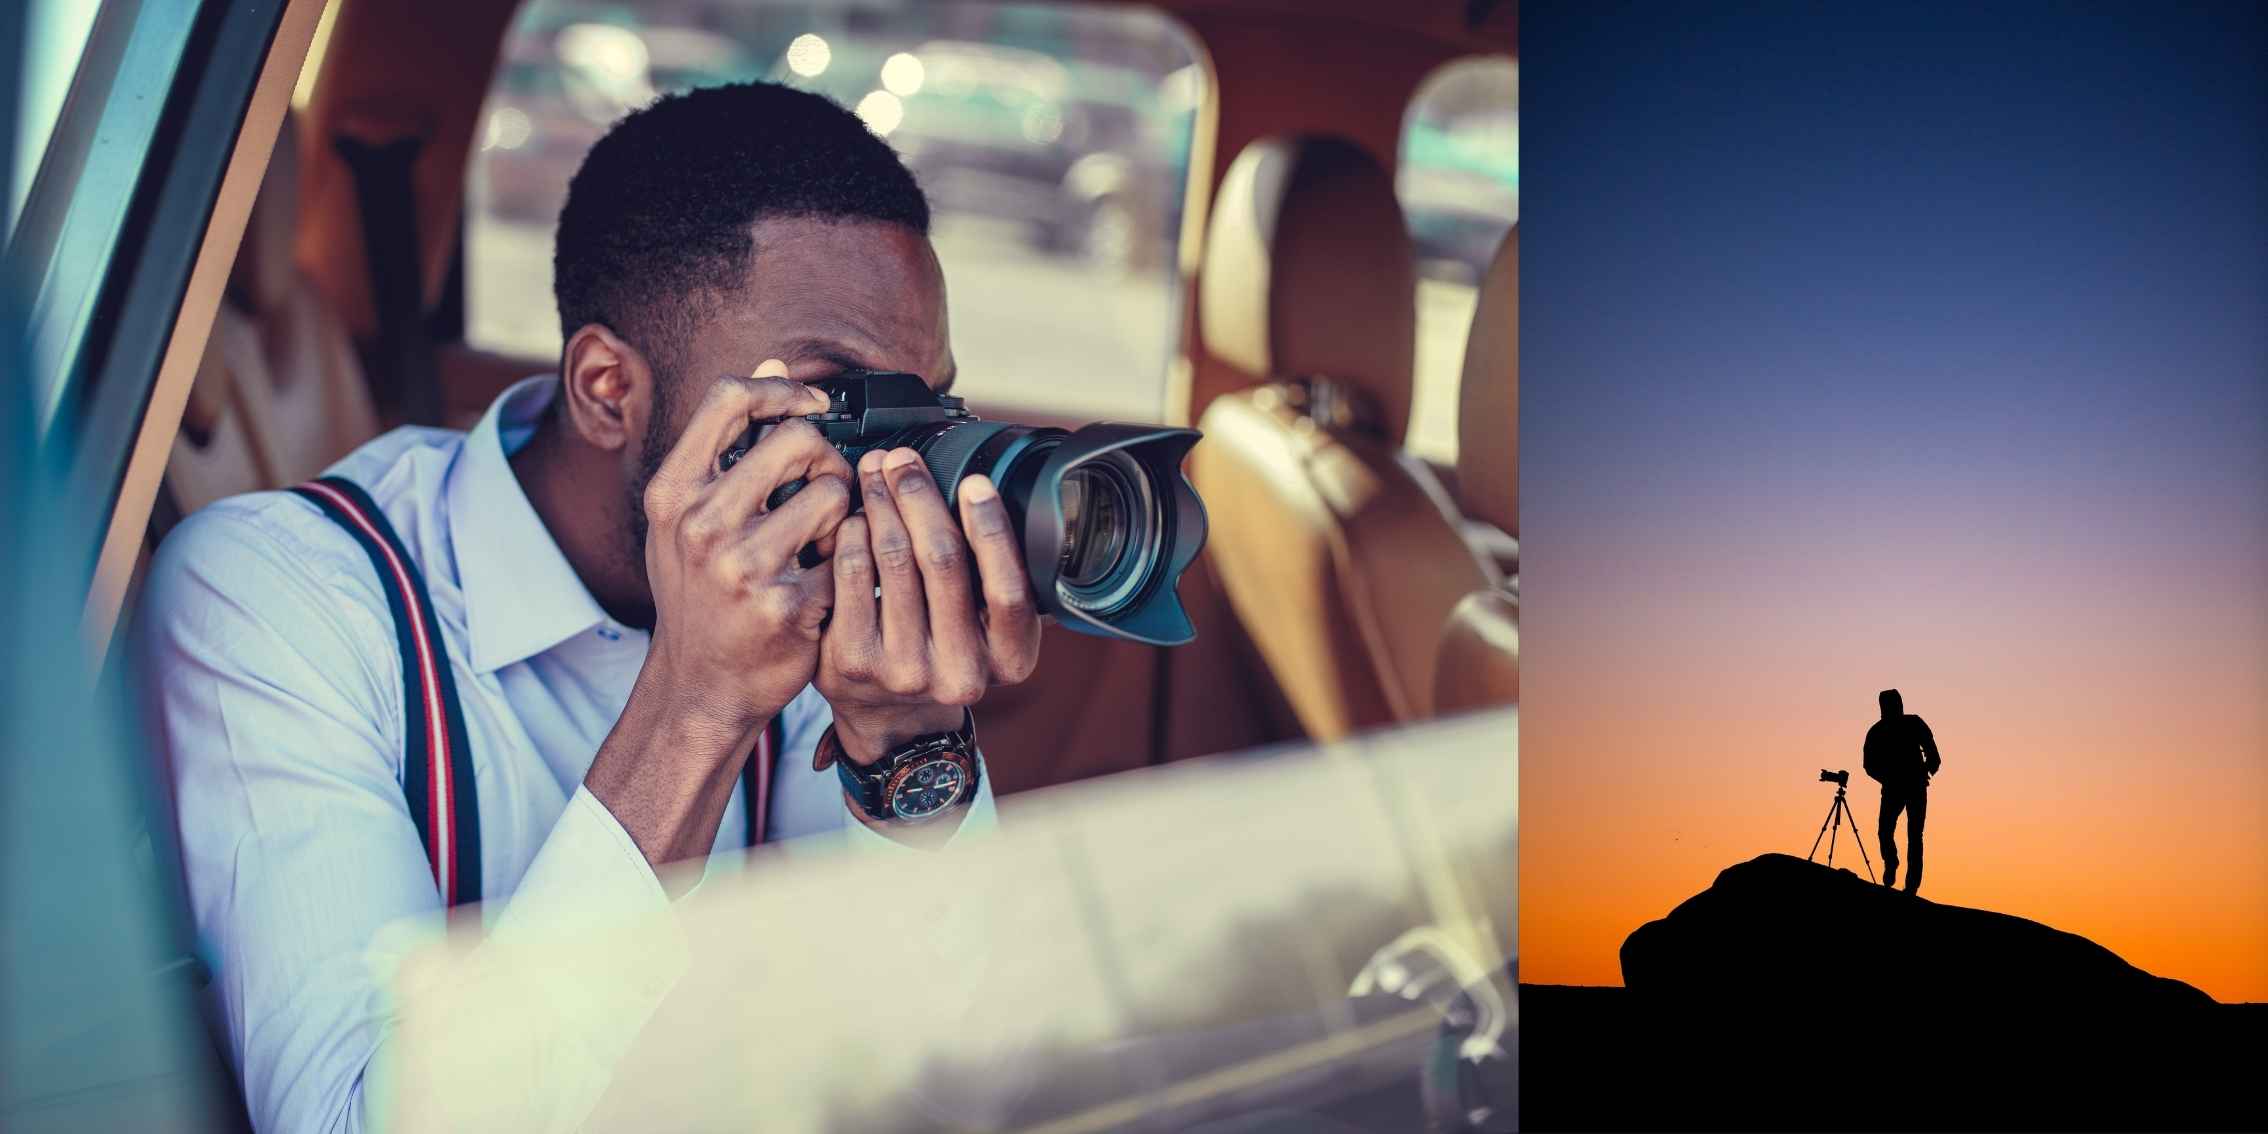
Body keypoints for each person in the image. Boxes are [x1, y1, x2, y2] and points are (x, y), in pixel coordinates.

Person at [136, 83, 1042, 1131]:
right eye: (836, 400)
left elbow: (944, 1070)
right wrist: (693, 713)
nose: (892, 463)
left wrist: (908, 753)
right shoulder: (277, 600)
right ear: (610, 389)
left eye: (925, 405)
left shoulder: (819, 585)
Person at [1862, 688, 1942, 894]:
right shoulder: (1876, 732)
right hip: (1893, 789)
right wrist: (1888, 778)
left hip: (1914, 788)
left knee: (1914, 835)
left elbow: (1934, 755)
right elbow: (1868, 765)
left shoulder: (1914, 723)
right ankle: (1892, 862)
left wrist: (1926, 770)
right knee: (1885, 831)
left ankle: (1911, 886)